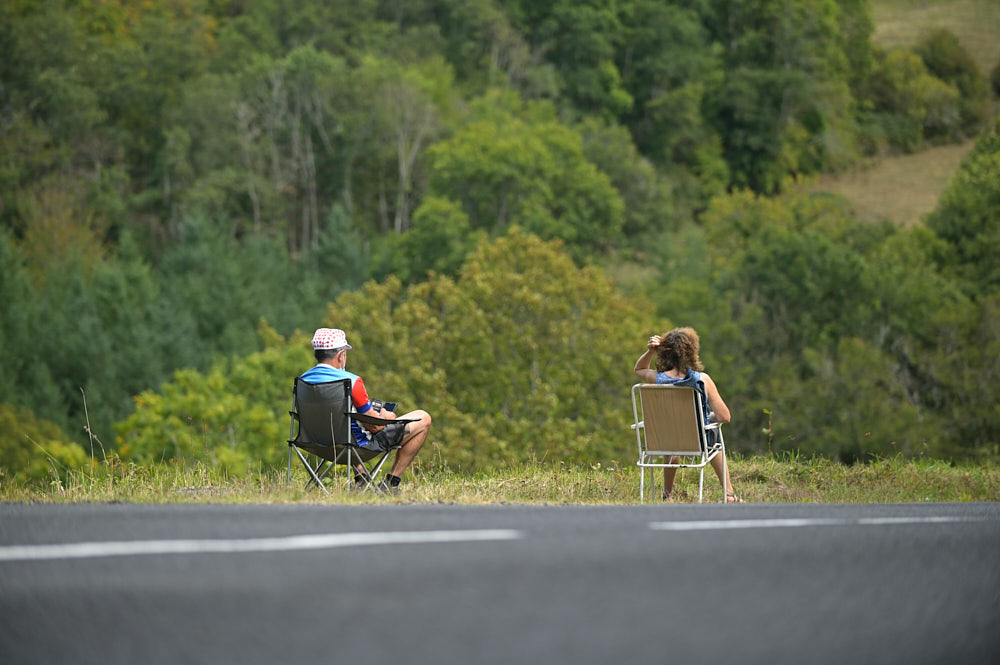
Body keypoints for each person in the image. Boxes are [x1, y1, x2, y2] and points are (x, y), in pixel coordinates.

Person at [300, 327, 432, 493]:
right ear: (341, 355)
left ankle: (362, 481)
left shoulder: (303, 381)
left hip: (317, 445)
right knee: (423, 418)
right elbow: (375, 427)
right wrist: (385, 417)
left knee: (347, 421)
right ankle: (391, 483)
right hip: (354, 448)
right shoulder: (352, 381)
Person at [634, 327, 742, 503]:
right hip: (696, 441)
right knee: (714, 436)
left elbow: (639, 369)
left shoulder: (657, 379)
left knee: (671, 437)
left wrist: (650, 352)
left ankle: (668, 495)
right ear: (692, 353)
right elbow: (725, 417)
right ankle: (729, 493)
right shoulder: (702, 380)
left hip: (663, 441)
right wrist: (709, 416)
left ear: (665, 353)